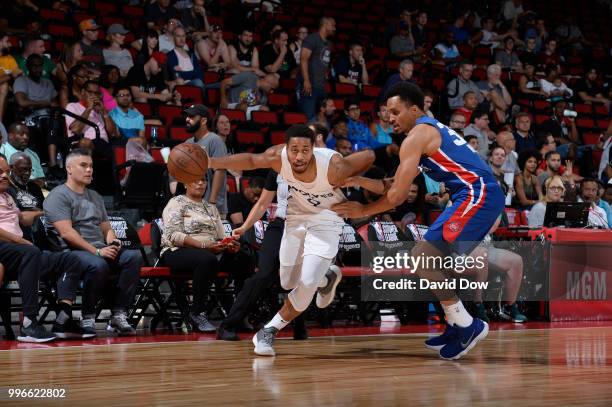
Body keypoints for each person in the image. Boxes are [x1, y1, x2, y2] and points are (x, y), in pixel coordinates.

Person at [333, 82, 504, 360]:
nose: (389, 118)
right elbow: (392, 185)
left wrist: (362, 210)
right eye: (386, 113)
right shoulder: (425, 130)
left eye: (395, 112)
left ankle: (468, 324)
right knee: (426, 259)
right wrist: (358, 180)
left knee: (425, 257)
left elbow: (397, 197)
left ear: (414, 109)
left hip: (477, 194)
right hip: (470, 193)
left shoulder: (417, 137)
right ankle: (457, 323)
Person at [209, 124, 375, 356]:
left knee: (305, 283)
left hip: (326, 220)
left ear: (314, 147)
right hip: (294, 219)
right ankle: (325, 277)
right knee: (288, 282)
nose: (299, 156)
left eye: (305, 150)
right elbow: (250, 160)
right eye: (294, 150)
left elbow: (369, 154)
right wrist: (213, 162)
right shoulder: (278, 159)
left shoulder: (333, 166)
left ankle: (267, 332)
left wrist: (354, 178)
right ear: (286, 148)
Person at [43, 148, 142, 336]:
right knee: (98, 264)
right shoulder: (58, 195)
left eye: (91, 166)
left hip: (98, 249)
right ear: (69, 168)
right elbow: (67, 233)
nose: (89, 170)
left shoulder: (95, 196)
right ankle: (88, 316)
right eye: (83, 166)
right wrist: (97, 252)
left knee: (133, 257)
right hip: (71, 253)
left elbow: (105, 227)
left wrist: (112, 240)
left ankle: (119, 314)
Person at [0, 154, 92, 342]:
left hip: (21, 255)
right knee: (32, 252)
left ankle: (63, 319)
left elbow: (21, 218)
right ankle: (29, 323)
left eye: (6, 172)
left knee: (71, 259)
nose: (4, 175)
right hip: (7, 248)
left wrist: (43, 212)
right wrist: (20, 241)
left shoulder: (8, 196)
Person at [218, 169, 307, 341]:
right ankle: (228, 325)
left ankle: (299, 325)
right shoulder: (276, 171)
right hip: (280, 225)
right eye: (293, 148)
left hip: (306, 228)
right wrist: (244, 227)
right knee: (263, 274)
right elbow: (261, 204)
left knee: (298, 278)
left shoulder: (318, 170)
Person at [161, 173, 241, 333]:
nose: (200, 184)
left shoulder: (211, 207)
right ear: (184, 183)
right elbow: (173, 236)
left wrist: (229, 245)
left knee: (244, 258)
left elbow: (220, 237)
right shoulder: (176, 203)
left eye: (203, 180)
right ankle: (197, 312)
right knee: (207, 259)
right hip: (177, 251)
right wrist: (203, 245)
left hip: (210, 252)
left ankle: (239, 312)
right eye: (194, 180)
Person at [181, 104, 228, 217]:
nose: (187, 119)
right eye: (187, 116)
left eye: (191, 117)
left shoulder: (214, 140)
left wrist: (212, 202)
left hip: (212, 207)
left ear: (203, 121)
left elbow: (220, 171)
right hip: (192, 206)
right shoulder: (188, 142)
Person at [296, 17, 335, 121]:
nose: (334, 28)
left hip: (320, 86)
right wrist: (306, 80)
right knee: (310, 118)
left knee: (323, 117)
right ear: (325, 25)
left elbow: (324, 63)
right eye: (332, 25)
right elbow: (303, 59)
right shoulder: (312, 39)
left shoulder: (329, 44)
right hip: (309, 86)